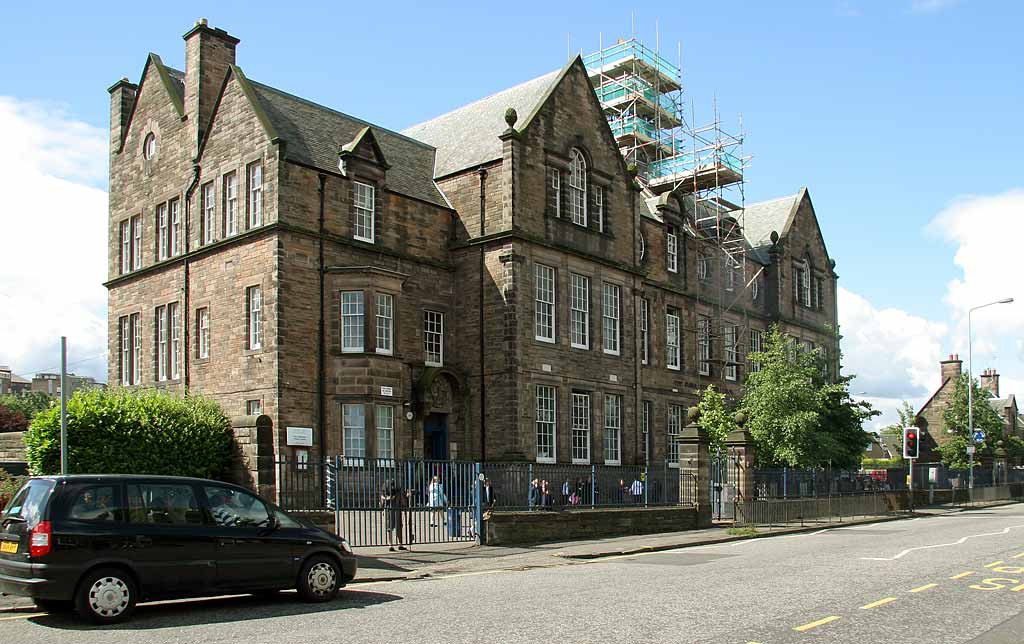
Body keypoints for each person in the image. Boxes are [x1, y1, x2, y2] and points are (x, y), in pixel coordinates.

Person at [381, 479, 407, 552]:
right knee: (398, 526)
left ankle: (391, 544)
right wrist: (405, 506)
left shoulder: (385, 487)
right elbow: (402, 499)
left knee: (390, 526)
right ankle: (399, 544)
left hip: (389, 508)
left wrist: (383, 506)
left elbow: (382, 498)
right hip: (396, 508)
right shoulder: (398, 488)